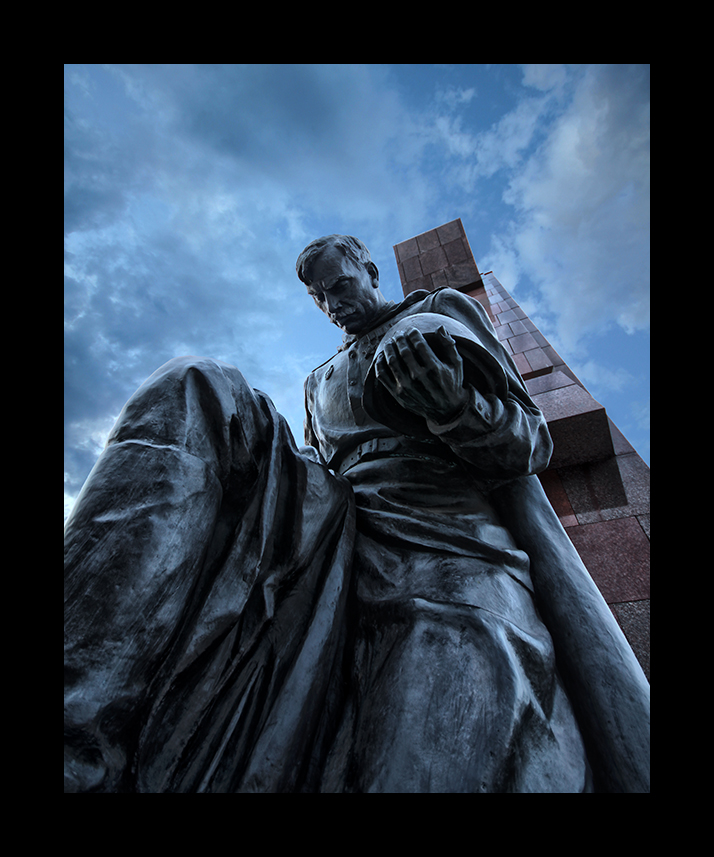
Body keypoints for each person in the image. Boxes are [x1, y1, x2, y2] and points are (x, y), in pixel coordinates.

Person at [64, 235, 649, 793]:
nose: (332, 304)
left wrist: (452, 407)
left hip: (446, 538)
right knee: (193, 383)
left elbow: (529, 443)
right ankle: (78, 727)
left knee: (434, 744)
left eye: (341, 286)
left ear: (370, 271)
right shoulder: (317, 381)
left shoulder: (438, 312)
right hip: (333, 529)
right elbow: (319, 469)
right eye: (319, 298)